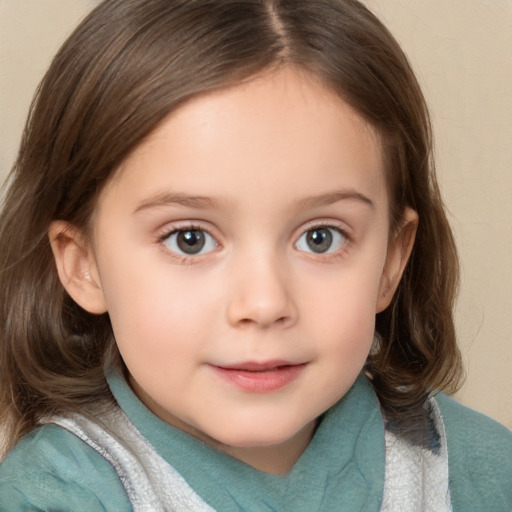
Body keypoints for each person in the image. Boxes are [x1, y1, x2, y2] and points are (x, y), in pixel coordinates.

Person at [0, 0, 510, 510]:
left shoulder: (479, 472)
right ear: (82, 264)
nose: (264, 303)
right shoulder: (54, 494)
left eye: (321, 238)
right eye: (190, 239)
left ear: (391, 261)